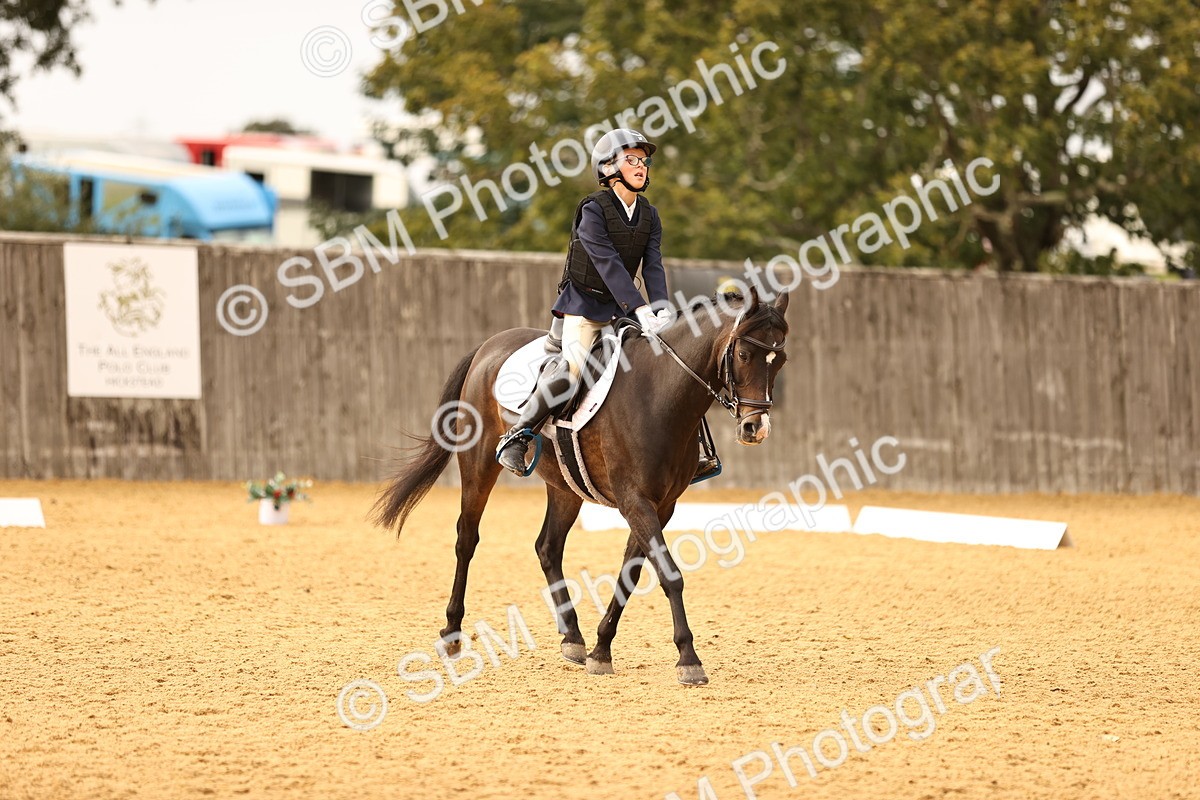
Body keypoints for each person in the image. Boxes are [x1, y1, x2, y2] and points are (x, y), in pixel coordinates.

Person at [495, 128, 674, 475]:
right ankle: (517, 436)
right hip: (584, 309)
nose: (642, 166)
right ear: (608, 168)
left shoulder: (649, 215)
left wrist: (662, 307)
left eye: (645, 161)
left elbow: (653, 263)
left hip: (622, 313)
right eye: (632, 159)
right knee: (573, 371)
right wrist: (639, 307)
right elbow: (606, 262)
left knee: (659, 369)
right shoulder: (593, 210)